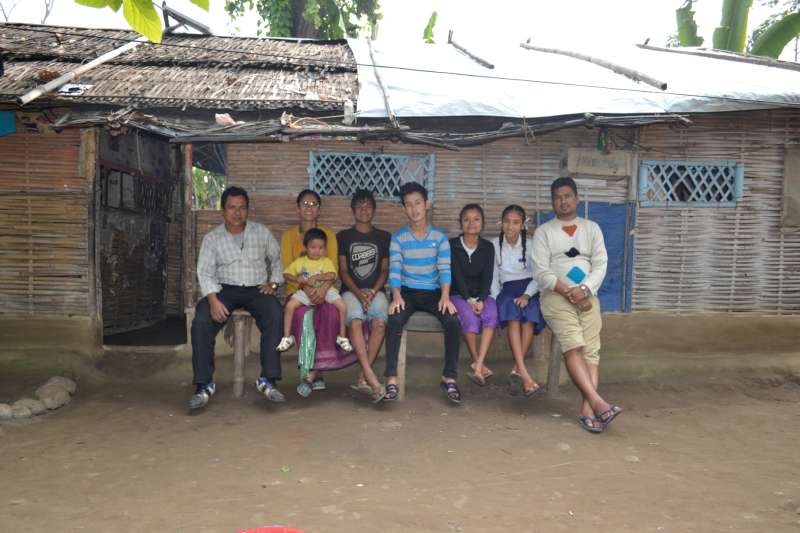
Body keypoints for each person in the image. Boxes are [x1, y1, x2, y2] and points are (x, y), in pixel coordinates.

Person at [532, 177, 622, 433]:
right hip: (555, 297)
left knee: (592, 352)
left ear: (577, 199)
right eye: (558, 197)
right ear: (552, 202)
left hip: (588, 296)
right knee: (574, 346)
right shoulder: (544, 232)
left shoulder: (591, 228)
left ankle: (587, 410)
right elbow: (541, 271)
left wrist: (584, 289)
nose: (563, 201)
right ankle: (597, 402)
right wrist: (567, 291)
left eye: (568, 196)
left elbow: (601, 264)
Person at [189, 186, 285, 409]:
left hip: (255, 290)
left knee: (275, 313)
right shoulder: (212, 238)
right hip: (224, 290)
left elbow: (277, 258)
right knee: (201, 320)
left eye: (242, 207)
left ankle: (268, 380)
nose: (237, 212)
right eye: (232, 207)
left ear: (248, 210)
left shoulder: (261, 232)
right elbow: (204, 271)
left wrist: (273, 282)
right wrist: (213, 299)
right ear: (223, 211)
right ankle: (204, 384)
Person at [384, 182, 462, 403]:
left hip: (433, 293)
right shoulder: (398, 237)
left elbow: (445, 270)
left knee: (453, 322)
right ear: (404, 209)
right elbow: (395, 269)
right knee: (394, 319)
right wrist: (396, 296)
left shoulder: (440, 238)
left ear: (426, 205)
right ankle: (391, 379)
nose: (414, 209)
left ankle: (449, 377)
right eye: (408, 205)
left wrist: (445, 297)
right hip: (406, 292)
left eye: (418, 203)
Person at [280, 190, 356, 392]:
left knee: (330, 312)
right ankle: (311, 371)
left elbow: (333, 270)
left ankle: (314, 373)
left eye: (313, 204)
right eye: (304, 203)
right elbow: (289, 270)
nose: (309, 207)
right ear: (298, 207)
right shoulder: (288, 236)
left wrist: (322, 291)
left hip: (325, 290)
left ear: (319, 209)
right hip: (298, 292)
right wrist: (308, 289)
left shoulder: (328, 235)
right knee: (304, 317)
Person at [337, 189, 391, 402]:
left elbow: (385, 270)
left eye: (368, 206)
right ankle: (370, 374)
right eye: (359, 206)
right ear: (352, 210)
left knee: (379, 323)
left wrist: (373, 292)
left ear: (374, 210)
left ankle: (362, 376)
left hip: (375, 290)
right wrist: (359, 294)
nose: (364, 210)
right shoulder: (343, 237)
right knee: (356, 321)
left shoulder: (384, 237)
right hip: (351, 291)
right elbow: (343, 270)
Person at [490, 204, 546, 398]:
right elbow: (494, 276)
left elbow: (539, 275)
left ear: (523, 225)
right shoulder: (494, 245)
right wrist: (498, 298)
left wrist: (528, 295)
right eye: (506, 222)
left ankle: (517, 369)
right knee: (513, 314)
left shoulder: (531, 245)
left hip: (529, 288)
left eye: (515, 222)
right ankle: (524, 374)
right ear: (501, 223)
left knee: (530, 315)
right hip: (507, 290)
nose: (510, 226)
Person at [449, 204, 498, 386]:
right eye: (466, 219)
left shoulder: (487, 247)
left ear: (482, 223)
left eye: (476, 219)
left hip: (481, 295)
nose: (471, 223)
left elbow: (488, 276)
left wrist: (482, 299)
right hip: (458, 295)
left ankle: (477, 366)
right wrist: (469, 300)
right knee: (469, 318)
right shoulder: (452, 245)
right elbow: (456, 275)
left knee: (491, 314)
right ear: (460, 223)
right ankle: (478, 362)